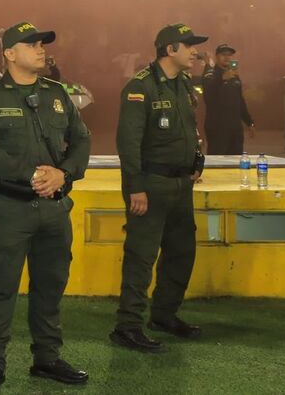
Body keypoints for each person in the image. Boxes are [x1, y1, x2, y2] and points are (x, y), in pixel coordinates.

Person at [0, 22, 91, 392]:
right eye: (32, 44)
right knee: (1, 288)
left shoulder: (57, 94)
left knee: (51, 285)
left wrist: (63, 175)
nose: (41, 50)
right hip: (9, 207)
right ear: (9, 53)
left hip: (54, 208)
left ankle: (47, 358)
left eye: (42, 44)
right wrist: (35, 175)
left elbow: (82, 142)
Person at [110, 24, 208, 353]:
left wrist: (196, 160)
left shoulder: (183, 84)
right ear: (170, 50)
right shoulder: (140, 87)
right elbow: (128, 142)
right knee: (141, 256)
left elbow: (190, 129)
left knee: (181, 252)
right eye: (190, 46)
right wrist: (135, 188)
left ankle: (164, 315)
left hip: (181, 185)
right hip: (150, 186)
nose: (195, 51)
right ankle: (128, 327)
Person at [202, 43, 255, 154]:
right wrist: (222, 79)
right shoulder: (210, 73)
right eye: (223, 54)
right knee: (217, 162)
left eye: (230, 55)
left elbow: (240, 101)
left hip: (235, 127)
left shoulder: (234, 75)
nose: (227, 57)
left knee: (236, 162)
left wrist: (249, 122)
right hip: (217, 127)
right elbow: (208, 96)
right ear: (217, 56)